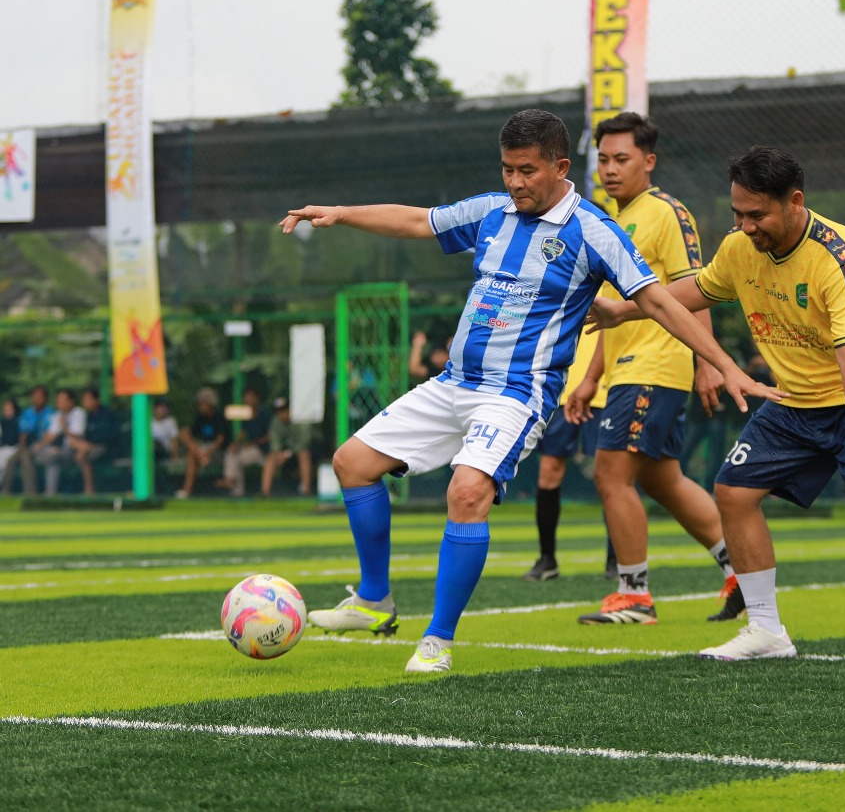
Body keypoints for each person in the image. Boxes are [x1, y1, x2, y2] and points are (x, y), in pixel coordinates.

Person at [280, 108, 781, 675]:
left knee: (467, 492)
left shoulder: (593, 230)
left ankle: (438, 640)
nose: (515, 182)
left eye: (527, 170)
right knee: (352, 463)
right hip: (454, 383)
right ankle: (374, 601)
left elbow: (659, 301)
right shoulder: (492, 211)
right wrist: (341, 214)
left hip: (517, 393)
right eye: (507, 169)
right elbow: (420, 221)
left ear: (560, 167)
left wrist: (721, 363)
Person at [590, 146, 845, 661]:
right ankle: (766, 630)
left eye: (757, 215)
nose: (745, 226)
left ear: (795, 201)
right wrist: (623, 311)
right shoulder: (739, 248)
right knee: (733, 491)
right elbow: (700, 289)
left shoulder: (838, 256)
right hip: (796, 395)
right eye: (738, 213)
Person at [567, 112, 743, 625]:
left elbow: (699, 287)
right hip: (627, 368)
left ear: (649, 161)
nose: (610, 169)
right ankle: (741, 573)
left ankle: (634, 596)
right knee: (664, 480)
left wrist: (708, 363)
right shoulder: (612, 221)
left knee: (610, 473)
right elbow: (610, 312)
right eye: (603, 160)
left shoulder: (667, 212)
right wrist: (591, 377)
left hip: (657, 364)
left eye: (621, 159)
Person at [522, 326, 612, 582]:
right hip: (561, 390)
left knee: (612, 476)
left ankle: (617, 560)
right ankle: (547, 559)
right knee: (549, 471)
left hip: (608, 388)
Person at [177, 387, 230, 499]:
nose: (200, 406)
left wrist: (208, 453)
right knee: (184, 434)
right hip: (201, 451)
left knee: (192, 455)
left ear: (210, 404)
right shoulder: (200, 418)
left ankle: (187, 490)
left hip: (218, 453)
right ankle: (200, 457)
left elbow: (220, 441)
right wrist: (201, 454)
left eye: (203, 403)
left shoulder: (219, 418)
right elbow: (190, 435)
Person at [32, 388, 87, 495]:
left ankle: (49, 492)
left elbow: (77, 436)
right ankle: (50, 493)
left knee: (52, 457)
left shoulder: (78, 413)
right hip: (57, 451)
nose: (59, 403)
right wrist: (41, 444)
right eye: (58, 401)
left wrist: (64, 427)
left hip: (73, 450)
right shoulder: (57, 415)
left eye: (62, 401)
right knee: (52, 461)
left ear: (71, 401)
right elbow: (51, 435)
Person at [219, 386, 271, 497]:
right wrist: (236, 444)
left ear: (257, 399)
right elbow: (242, 433)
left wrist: (252, 444)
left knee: (237, 459)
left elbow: (270, 436)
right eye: (246, 397)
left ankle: (231, 481)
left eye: (250, 397)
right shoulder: (245, 415)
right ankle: (235, 489)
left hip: (263, 449)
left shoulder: (265, 414)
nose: (248, 400)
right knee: (231, 453)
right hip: (249, 448)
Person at [260, 396, 316, 496]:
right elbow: (275, 443)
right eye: (279, 411)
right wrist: (279, 453)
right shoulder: (276, 422)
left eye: (284, 410)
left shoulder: (301, 419)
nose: (282, 414)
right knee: (271, 456)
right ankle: (265, 493)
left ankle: (306, 491)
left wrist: (287, 454)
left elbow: (305, 442)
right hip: (287, 452)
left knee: (304, 454)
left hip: (311, 449)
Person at [71, 388, 122, 495]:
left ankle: (89, 489)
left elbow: (107, 437)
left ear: (96, 400)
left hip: (108, 448)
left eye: (87, 400)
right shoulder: (87, 416)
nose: (85, 403)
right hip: (90, 447)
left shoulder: (107, 415)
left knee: (84, 456)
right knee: (78, 449)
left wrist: (88, 446)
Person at [2, 385, 52, 495]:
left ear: (45, 399)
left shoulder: (50, 413)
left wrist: (40, 444)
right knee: (11, 460)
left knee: (25, 457)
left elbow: (49, 433)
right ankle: (5, 492)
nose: (37, 399)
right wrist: (23, 445)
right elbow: (23, 433)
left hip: (43, 445)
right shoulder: (27, 413)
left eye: (40, 397)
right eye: (35, 396)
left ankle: (30, 492)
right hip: (26, 446)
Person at [0, 398, 21, 492]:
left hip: (14, 448)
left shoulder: (19, 421)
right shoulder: (1, 421)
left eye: (9, 409)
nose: (7, 411)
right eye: (6, 409)